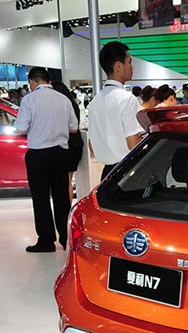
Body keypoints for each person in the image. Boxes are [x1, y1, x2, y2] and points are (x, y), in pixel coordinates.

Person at [14, 67, 79, 253]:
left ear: (32, 81)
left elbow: (20, 128)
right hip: (60, 153)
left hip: (38, 154)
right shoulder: (63, 99)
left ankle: (46, 240)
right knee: (62, 197)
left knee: (40, 198)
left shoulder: (29, 100)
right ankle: (66, 238)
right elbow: (74, 128)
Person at [86, 41, 144, 180]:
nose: (132, 67)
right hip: (128, 171)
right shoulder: (126, 99)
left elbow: (92, 146)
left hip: (107, 174)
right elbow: (133, 144)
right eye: (129, 62)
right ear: (118, 66)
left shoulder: (95, 102)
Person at [52, 81, 84, 202]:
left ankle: (66, 208)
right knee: (67, 180)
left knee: (65, 181)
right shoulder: (73, 104)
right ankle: (66, 208)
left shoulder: (62, 106)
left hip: (67, 146)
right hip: (74, 145)